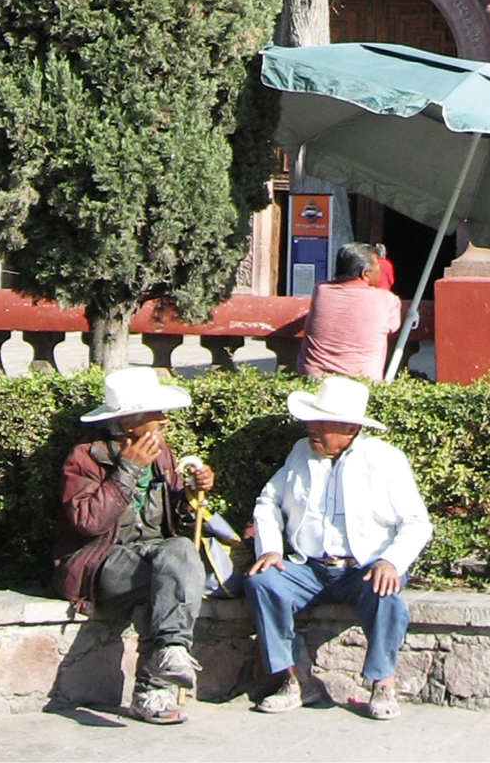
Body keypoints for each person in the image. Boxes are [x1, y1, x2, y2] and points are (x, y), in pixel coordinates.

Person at [246, 373, 432, 720]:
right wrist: (270, 548)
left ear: (349, 429)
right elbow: (267, 502)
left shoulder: (385, 459)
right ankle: (297, 681)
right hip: (310, 568)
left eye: (322, 423)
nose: (311, 429)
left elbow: (417, 522)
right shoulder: (300, 453)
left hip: (364, 567)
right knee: (262, 581)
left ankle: (383, 683)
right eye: (311, 421)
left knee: (385, 595)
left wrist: (391, 561)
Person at [52, 368, 216, 726]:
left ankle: (160, 675)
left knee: (174, 566)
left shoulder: (162, 456)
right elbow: (87, 522)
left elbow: (177, 522)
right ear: (128, 424)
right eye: (155, 415)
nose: (164, 421)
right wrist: (126, 470)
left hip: (152, 561)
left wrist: (194, 490)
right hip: (102, 566)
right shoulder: (83, 458)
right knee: (170, 572)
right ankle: (159, 676)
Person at [298, 241, 402, 384]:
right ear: (365, 274)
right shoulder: (387, 300)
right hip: (360, 386)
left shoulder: (320, 290)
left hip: (315, 383)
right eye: (377, 267)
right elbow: (393, 325)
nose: (379, 272)